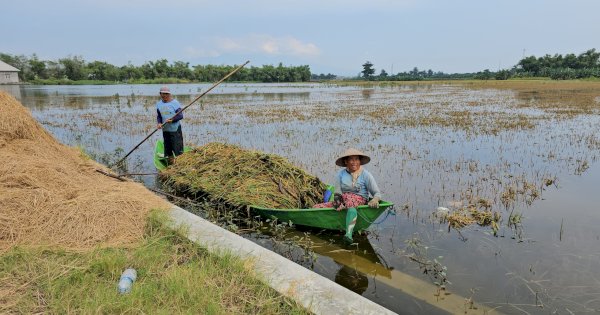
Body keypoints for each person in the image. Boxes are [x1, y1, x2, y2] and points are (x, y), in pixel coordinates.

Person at [314, 148, 382, 243]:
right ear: (346, 161)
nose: (354, 162)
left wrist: (375, 200)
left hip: (359, 200)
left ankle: (348, 234)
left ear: (360, 161)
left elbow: (377, 193)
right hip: (343, 200)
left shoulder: (366, 175)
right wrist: (338, 202)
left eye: (357, 159)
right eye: (351, 159)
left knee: (350, 201)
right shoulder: (340, 174)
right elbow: (337, 193)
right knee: (318, 207)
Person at [156, 86, 184, 164]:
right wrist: (159, 123)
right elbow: (159, 116)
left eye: (166, 94)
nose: (164, 96)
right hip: (165, 129)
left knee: (177, 147)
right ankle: (171, 163)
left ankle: (180, 163)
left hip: (175, 129)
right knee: (168, 148)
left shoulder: (175, 103)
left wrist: (172, 120)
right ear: (160, 94)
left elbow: (180, 116)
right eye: (163, 94)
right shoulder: (159, 104)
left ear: (169, 94)